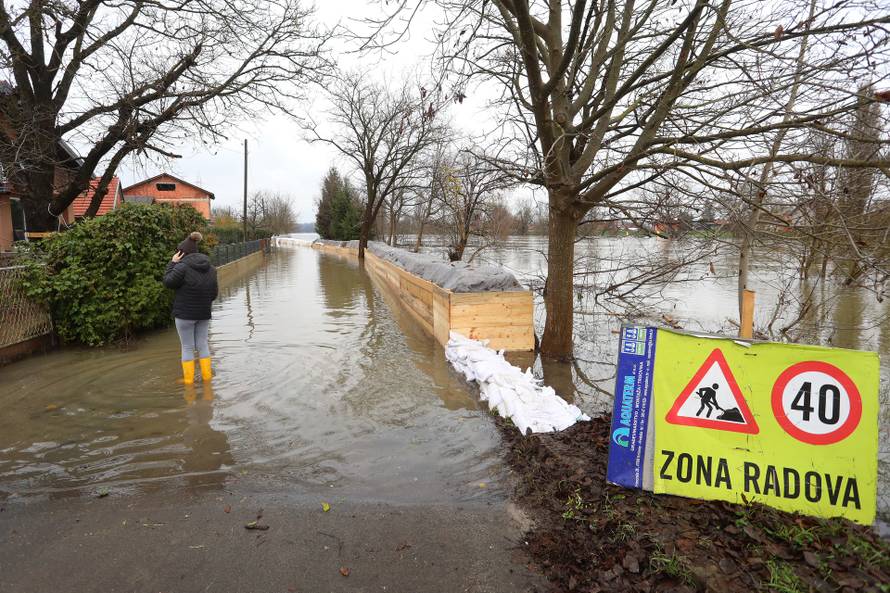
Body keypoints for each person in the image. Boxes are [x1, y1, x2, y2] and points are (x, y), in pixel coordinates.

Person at [163, 231, 218, 384]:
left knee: (187, 347)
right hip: (204, 314)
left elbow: (168, 282)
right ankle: (207, 379)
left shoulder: (181, 267)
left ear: (182, 253)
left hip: (184, 315)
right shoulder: (211, 269)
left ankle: (188, 383)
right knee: (202, 344)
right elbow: (214, 294)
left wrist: (172, 263)